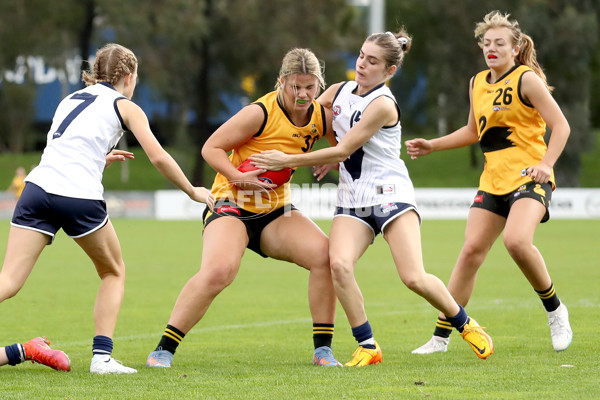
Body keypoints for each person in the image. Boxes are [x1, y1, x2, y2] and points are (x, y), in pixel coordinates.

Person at [250, 29, 494, 365]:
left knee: (413, 276)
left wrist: (289, 160)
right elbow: (302, 119)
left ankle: (466, 325)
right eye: (362, 55)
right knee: (338, 264)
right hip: (352, 198)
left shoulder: (382, 104)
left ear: (389, 71)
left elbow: (346, 146)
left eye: (373, 61)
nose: (362, 64)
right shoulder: (337, 90)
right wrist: (257, 127)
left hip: (390, 194)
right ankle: (367, 345)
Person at [0, 43, 214, 374]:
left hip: (37, 189)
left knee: (9, 280)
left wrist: (97, 161)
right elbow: (157, 156)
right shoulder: (125, 105)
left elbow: (67, 150)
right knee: (113, 271)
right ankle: (102, 358)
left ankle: (101, 358)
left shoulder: (69, 99)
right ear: (128, 76)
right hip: (77, 196)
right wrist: (192, 190)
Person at [146, 48, 341, 368]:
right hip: (231, 203)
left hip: (276, 211)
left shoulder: (321, 117)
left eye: (310, 87)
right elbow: (211, 147)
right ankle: (163, 350)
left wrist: (333, 157)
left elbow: (342, 147)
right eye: (296, 87)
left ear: (319, 85)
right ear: (282, 82)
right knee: (219, 271)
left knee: (326, 257)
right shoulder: (259, 113)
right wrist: (239, 177)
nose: (303, 95)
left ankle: (323, 351)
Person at [405, 11, 572, 354]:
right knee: (469, 253)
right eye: (486, 43)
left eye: (499, 43)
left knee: (516, 242)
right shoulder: (476, 82)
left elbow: (562, 125)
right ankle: (441, 338)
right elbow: (472, 131)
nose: (491, 48)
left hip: (530, 178)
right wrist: (432, 145)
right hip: (493, 181)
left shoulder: (526, 79)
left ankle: (556, 311)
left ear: (515, 48)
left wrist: (546, 165)